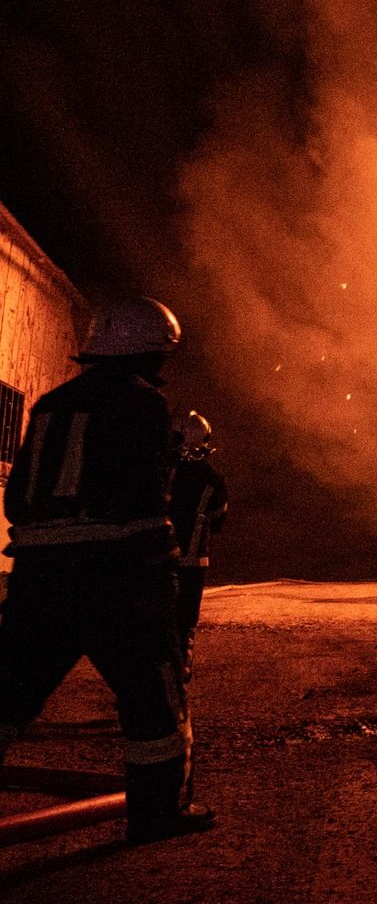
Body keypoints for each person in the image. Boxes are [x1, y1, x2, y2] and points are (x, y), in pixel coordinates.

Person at [0, 297, 214, 843]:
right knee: (154, 702)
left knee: (9, 693)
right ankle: (155, 815)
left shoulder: (49, 404)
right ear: (152, 352)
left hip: (37, 578)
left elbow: (21, 495)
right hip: (117, 579)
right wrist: (161, 577)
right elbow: (144, 502)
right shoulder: (142, 406)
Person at [168, 410, 227, 677]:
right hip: (193, 561)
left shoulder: (159, 471)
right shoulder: (213, 479)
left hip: (157, 558)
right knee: (185, 619)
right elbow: (217, 521)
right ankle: (181, 666)